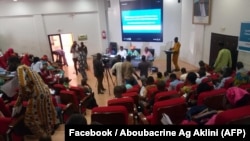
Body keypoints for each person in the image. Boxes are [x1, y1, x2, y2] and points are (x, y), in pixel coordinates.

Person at [9, 56, 57, 139]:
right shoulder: (28, 67)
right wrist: (19, 101)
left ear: (13, 63)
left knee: (29, 119)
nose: (8, 66)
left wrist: (24, 97)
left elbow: (22, 85)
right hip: (45, 92)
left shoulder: (20, 68)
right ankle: (47, 136)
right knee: (43, 117)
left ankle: (44, 137)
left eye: (9, 64)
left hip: (37, 95)